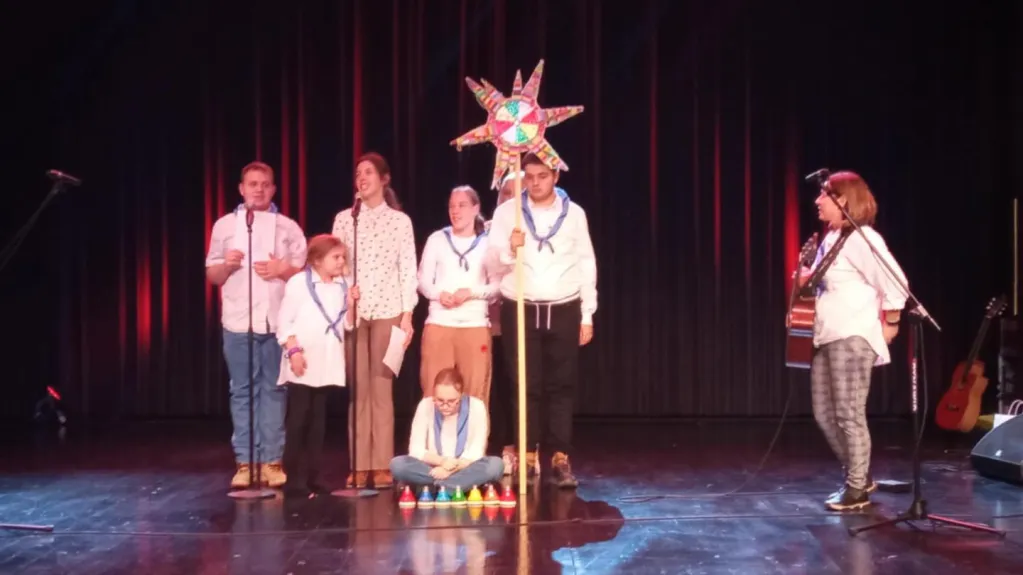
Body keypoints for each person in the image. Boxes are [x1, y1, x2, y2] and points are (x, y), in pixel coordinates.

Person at [486, 153, 597, 488]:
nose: (535, 183)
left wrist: (587, 313)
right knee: (524, 383)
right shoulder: (508, 212)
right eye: (530, 176)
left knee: (561, 384)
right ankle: (528, 452)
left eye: (542, 176)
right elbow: (491, 262)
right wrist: (509, 249)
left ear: (555, 177)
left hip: (564, 305)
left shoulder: (574, 214)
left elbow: (586, 262)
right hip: (521, 305)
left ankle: (560, 456)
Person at [800, 171, 907, 511]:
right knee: (823, 413)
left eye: (824, 195)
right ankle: (860, 474)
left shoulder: (863, 238)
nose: (817, 201)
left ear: (843, 200)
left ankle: (857, 487)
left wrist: (891, 322)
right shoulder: (832, 238)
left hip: (852, 334)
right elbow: (824, 286)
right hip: (828, 334)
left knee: (849, 413)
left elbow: (895, 282)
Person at [205, 161, 307, 489]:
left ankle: (272, 461)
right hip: (238, 322)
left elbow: (306, 276)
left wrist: (282, 270)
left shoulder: (287, 227)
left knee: (275, 390)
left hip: (277, 323)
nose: (259, 189)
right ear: (241, 188)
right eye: (253, 184)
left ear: (273, 189)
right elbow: (212, 275)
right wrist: (227, 266)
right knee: (242, 391)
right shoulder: (225, 226)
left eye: (265, 184)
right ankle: (246, 461)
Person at [332, 152, 418, 489]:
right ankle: (359, 463)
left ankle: (382, 464)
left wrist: (407, 315)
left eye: (368, 172)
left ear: (384, 179)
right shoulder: (345, 219)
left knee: (381, 388)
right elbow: (336, 265)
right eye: (358, 173)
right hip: (355, 311)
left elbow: (407, 268)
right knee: (359, 390)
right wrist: (345, 297)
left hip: (388, 309)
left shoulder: (400, 221)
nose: (362, 178)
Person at [276, 234, 359, 497]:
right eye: (336, 257)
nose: (341, 261)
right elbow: (284, 321)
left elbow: (348, 325)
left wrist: (351, 305)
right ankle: (294, 479)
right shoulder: (299, 283)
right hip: (303, 358)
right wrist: (293, 351)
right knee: (298, 419)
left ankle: (314, 476)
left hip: (327, 359)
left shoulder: (342, 285)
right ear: (317, 260)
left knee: (318, 421)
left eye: (343, 257)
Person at [417, 185, 499, 402]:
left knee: (475, 395)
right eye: (452, 206)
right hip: (440, 323)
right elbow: (423, 281)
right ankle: (435, 427)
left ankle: (472, 427)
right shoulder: (437, 239)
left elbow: (496, 287)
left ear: (475, 208)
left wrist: (471, 293)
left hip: (474, 325)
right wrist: (439, 294)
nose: (455, 211)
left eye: (462, 205)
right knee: (434, 392)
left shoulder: (487, 242)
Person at [389, 368, 505, 490]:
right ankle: (456, 485)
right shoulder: (425, 405)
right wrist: (442, 462)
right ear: (434, 395)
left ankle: (437, 486)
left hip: (465, 467)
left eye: (451, 401)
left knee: (495, 465)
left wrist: (449, 470)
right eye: (440, 400)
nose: (445, 406)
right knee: (398, 465)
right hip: (433, 468)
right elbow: (416, 450)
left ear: (461, 396)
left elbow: (476, 453)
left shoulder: (477, 406)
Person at [487, 171, 521, 475]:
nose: (511, 199)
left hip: (522, 321)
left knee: (518, 386)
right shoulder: (487, 231)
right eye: (506, 193)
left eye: (516, 193)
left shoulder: (532, 231)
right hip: (489, 323)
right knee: (496, 386)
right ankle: (503, 446)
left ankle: (524, 446)